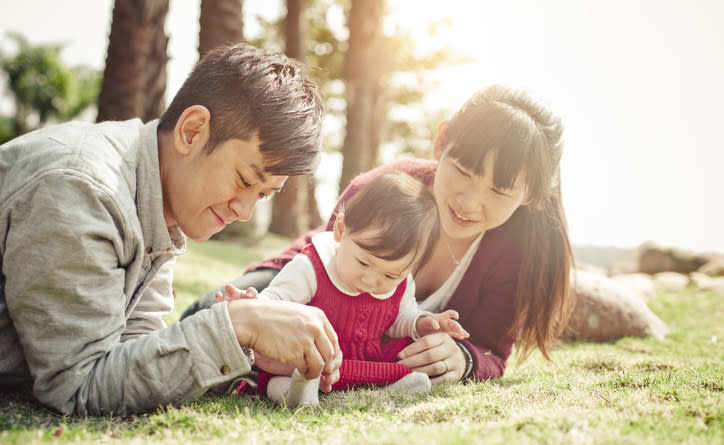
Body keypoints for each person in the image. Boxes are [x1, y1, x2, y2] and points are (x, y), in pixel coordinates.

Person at [0, 43, 343, 416]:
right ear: (192, 131)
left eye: (261, 195)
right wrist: (237, 325)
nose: (244, 211)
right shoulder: (81, 190)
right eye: (244, 180)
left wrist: (248, 347)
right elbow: (79, 386)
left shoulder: (157, 198)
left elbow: (131, 350)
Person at [182, 84, 574, 384]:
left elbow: (492, 351)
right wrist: (259, 299)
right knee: (206, 313)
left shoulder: (519, 254)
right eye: (463, 171)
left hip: (368, 349)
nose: (469, 201)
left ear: (530, 196)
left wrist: (465, 358)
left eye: (499, 191)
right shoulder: (391, 187)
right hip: (310, 292)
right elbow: (315, 254)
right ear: (441, 143)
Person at [216, 172, 469, 407]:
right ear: (340, 230)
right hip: (312, 357)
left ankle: (400, 385)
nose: (370, 281)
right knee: (276, 377)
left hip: (366, 361)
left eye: (390, 275)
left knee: (404, 356)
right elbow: (277, 300)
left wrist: (422, 323)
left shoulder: (402, 282)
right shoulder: (311, 267)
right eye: (363, 262)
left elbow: (399, 318)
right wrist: (254, 304)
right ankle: (298, 393)